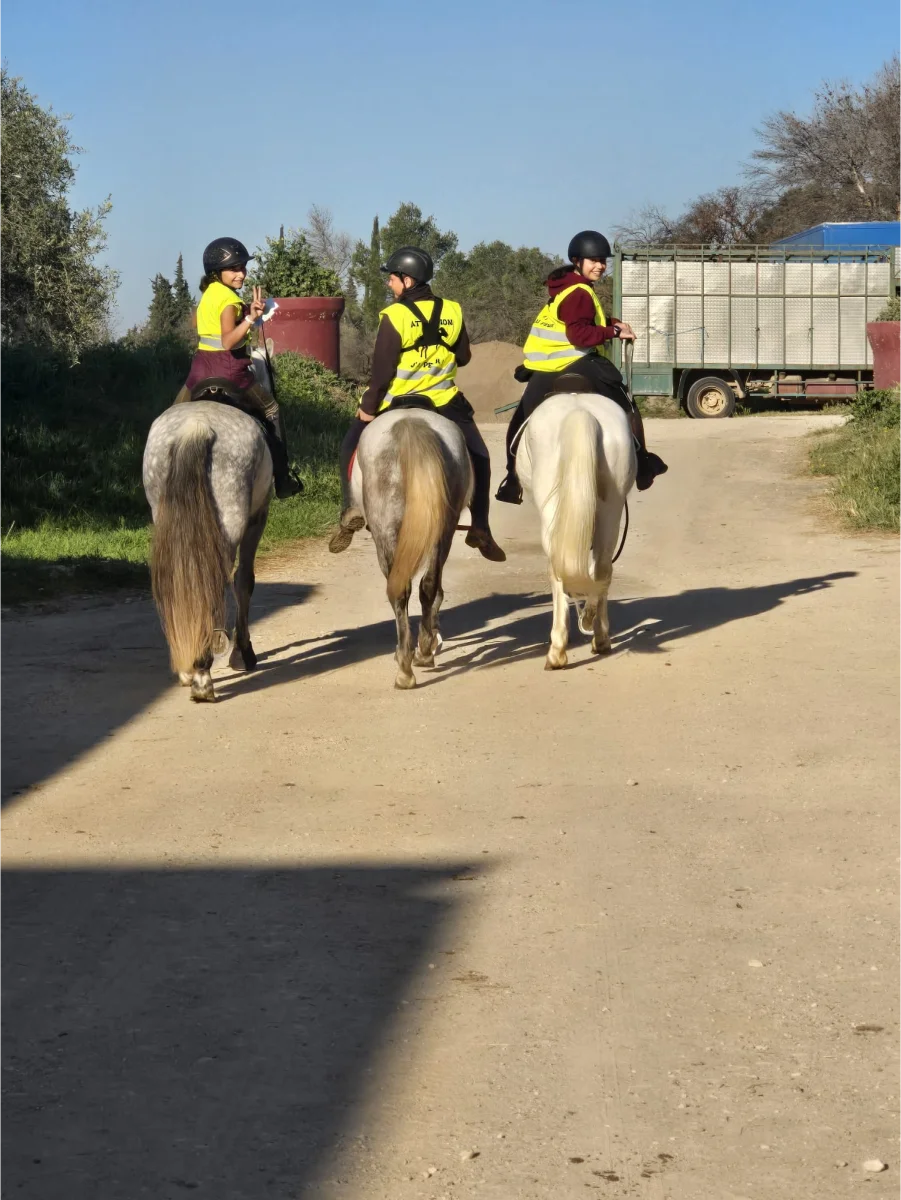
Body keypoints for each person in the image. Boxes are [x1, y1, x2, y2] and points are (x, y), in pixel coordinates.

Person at [329, 246, 505, 561]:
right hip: (443, 401)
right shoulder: (452, 310)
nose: (389, 284)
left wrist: (369, 406)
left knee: (348, 447)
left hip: (396, 399)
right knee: (480, 456)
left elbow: (381, 373)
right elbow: (463, 357)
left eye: (393, 278)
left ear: (408, 281)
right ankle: (480, 525)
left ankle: (351, 508)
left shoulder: (394, 315)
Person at [495, 230, 668, 504]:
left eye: (603, 260)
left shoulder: (566, 289)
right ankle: (643, 464)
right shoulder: (580, 292)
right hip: (578, 361)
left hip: (546, 368)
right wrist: (613, 332)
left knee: (521, 420)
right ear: (577, 261)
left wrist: (610, 321)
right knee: (626, 403)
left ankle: (512, 479)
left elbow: (579, 320)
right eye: (594, 260)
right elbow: (578, 335)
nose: (600, 265)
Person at [174, 237, 301, 499]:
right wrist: (252, 318)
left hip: (199, 371)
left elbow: (205, 329)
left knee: (173, 418)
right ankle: (283, 479)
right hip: (230, 372)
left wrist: (247, 316)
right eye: (234, 269)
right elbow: (229, 340)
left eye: (242, 267)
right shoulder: (230, 300)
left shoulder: (209, 295)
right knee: (272, 409)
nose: (241, 274)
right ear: (217, 272)